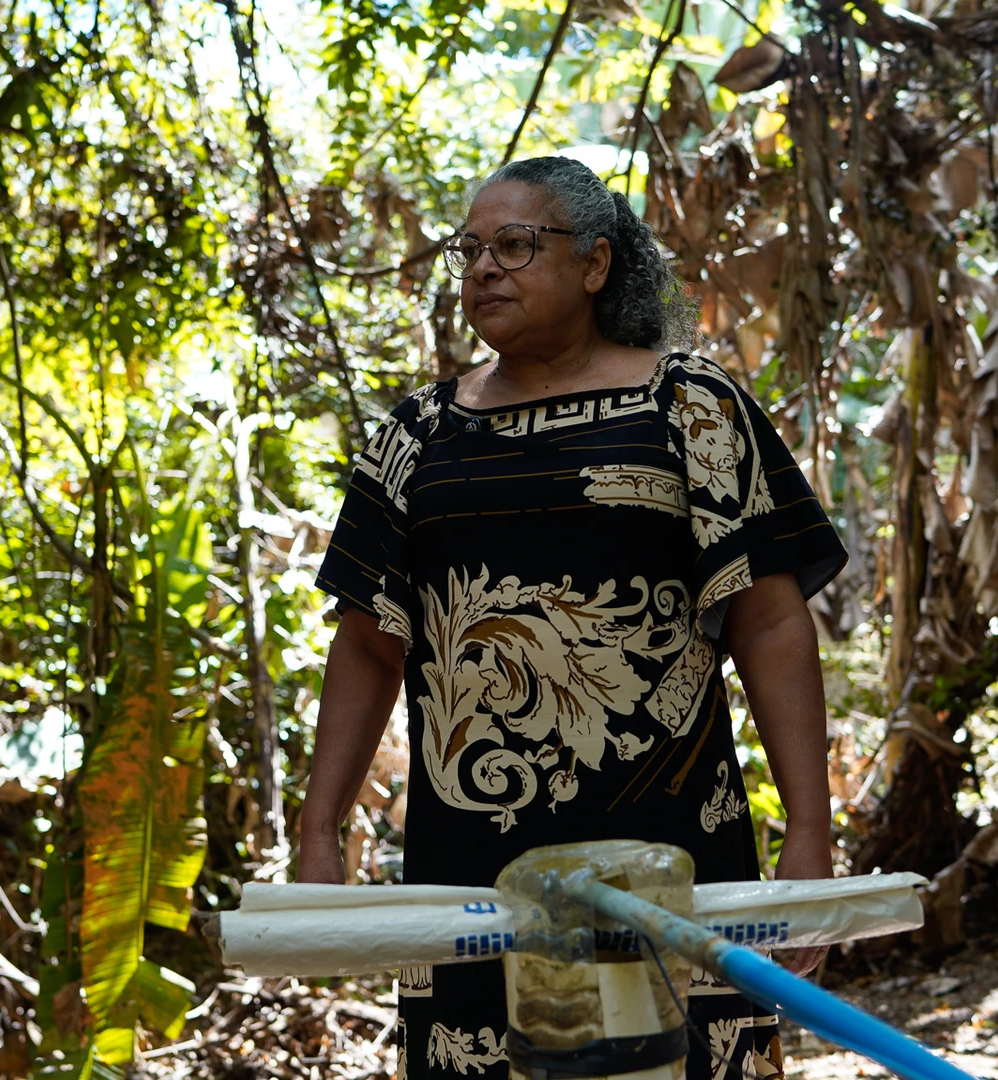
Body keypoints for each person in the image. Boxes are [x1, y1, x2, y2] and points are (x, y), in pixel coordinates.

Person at [301, 155, 848, 1080]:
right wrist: (319, 837)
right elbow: (366, 645)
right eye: (469, 249)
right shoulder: (418, 436)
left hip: (673, 851)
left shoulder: (692, 409)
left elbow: (770, 624)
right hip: (472, 867)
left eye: (515, 244)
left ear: (595, 265)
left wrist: (810, 833)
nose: (482, 268)